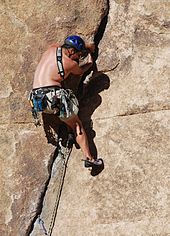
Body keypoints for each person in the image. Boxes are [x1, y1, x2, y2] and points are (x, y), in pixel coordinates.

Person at [30, 35, 102, 168]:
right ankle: (90, 158)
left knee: (67, 118)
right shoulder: (70, 64)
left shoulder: (51, 48)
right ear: (71, 51)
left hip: (37, 99)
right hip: (53, 97)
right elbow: (81, 70)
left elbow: (70, 47)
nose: (78, 58)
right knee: (77, 126)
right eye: (78, 55)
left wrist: (85, 46)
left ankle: (68, 132)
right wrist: (90, 62)